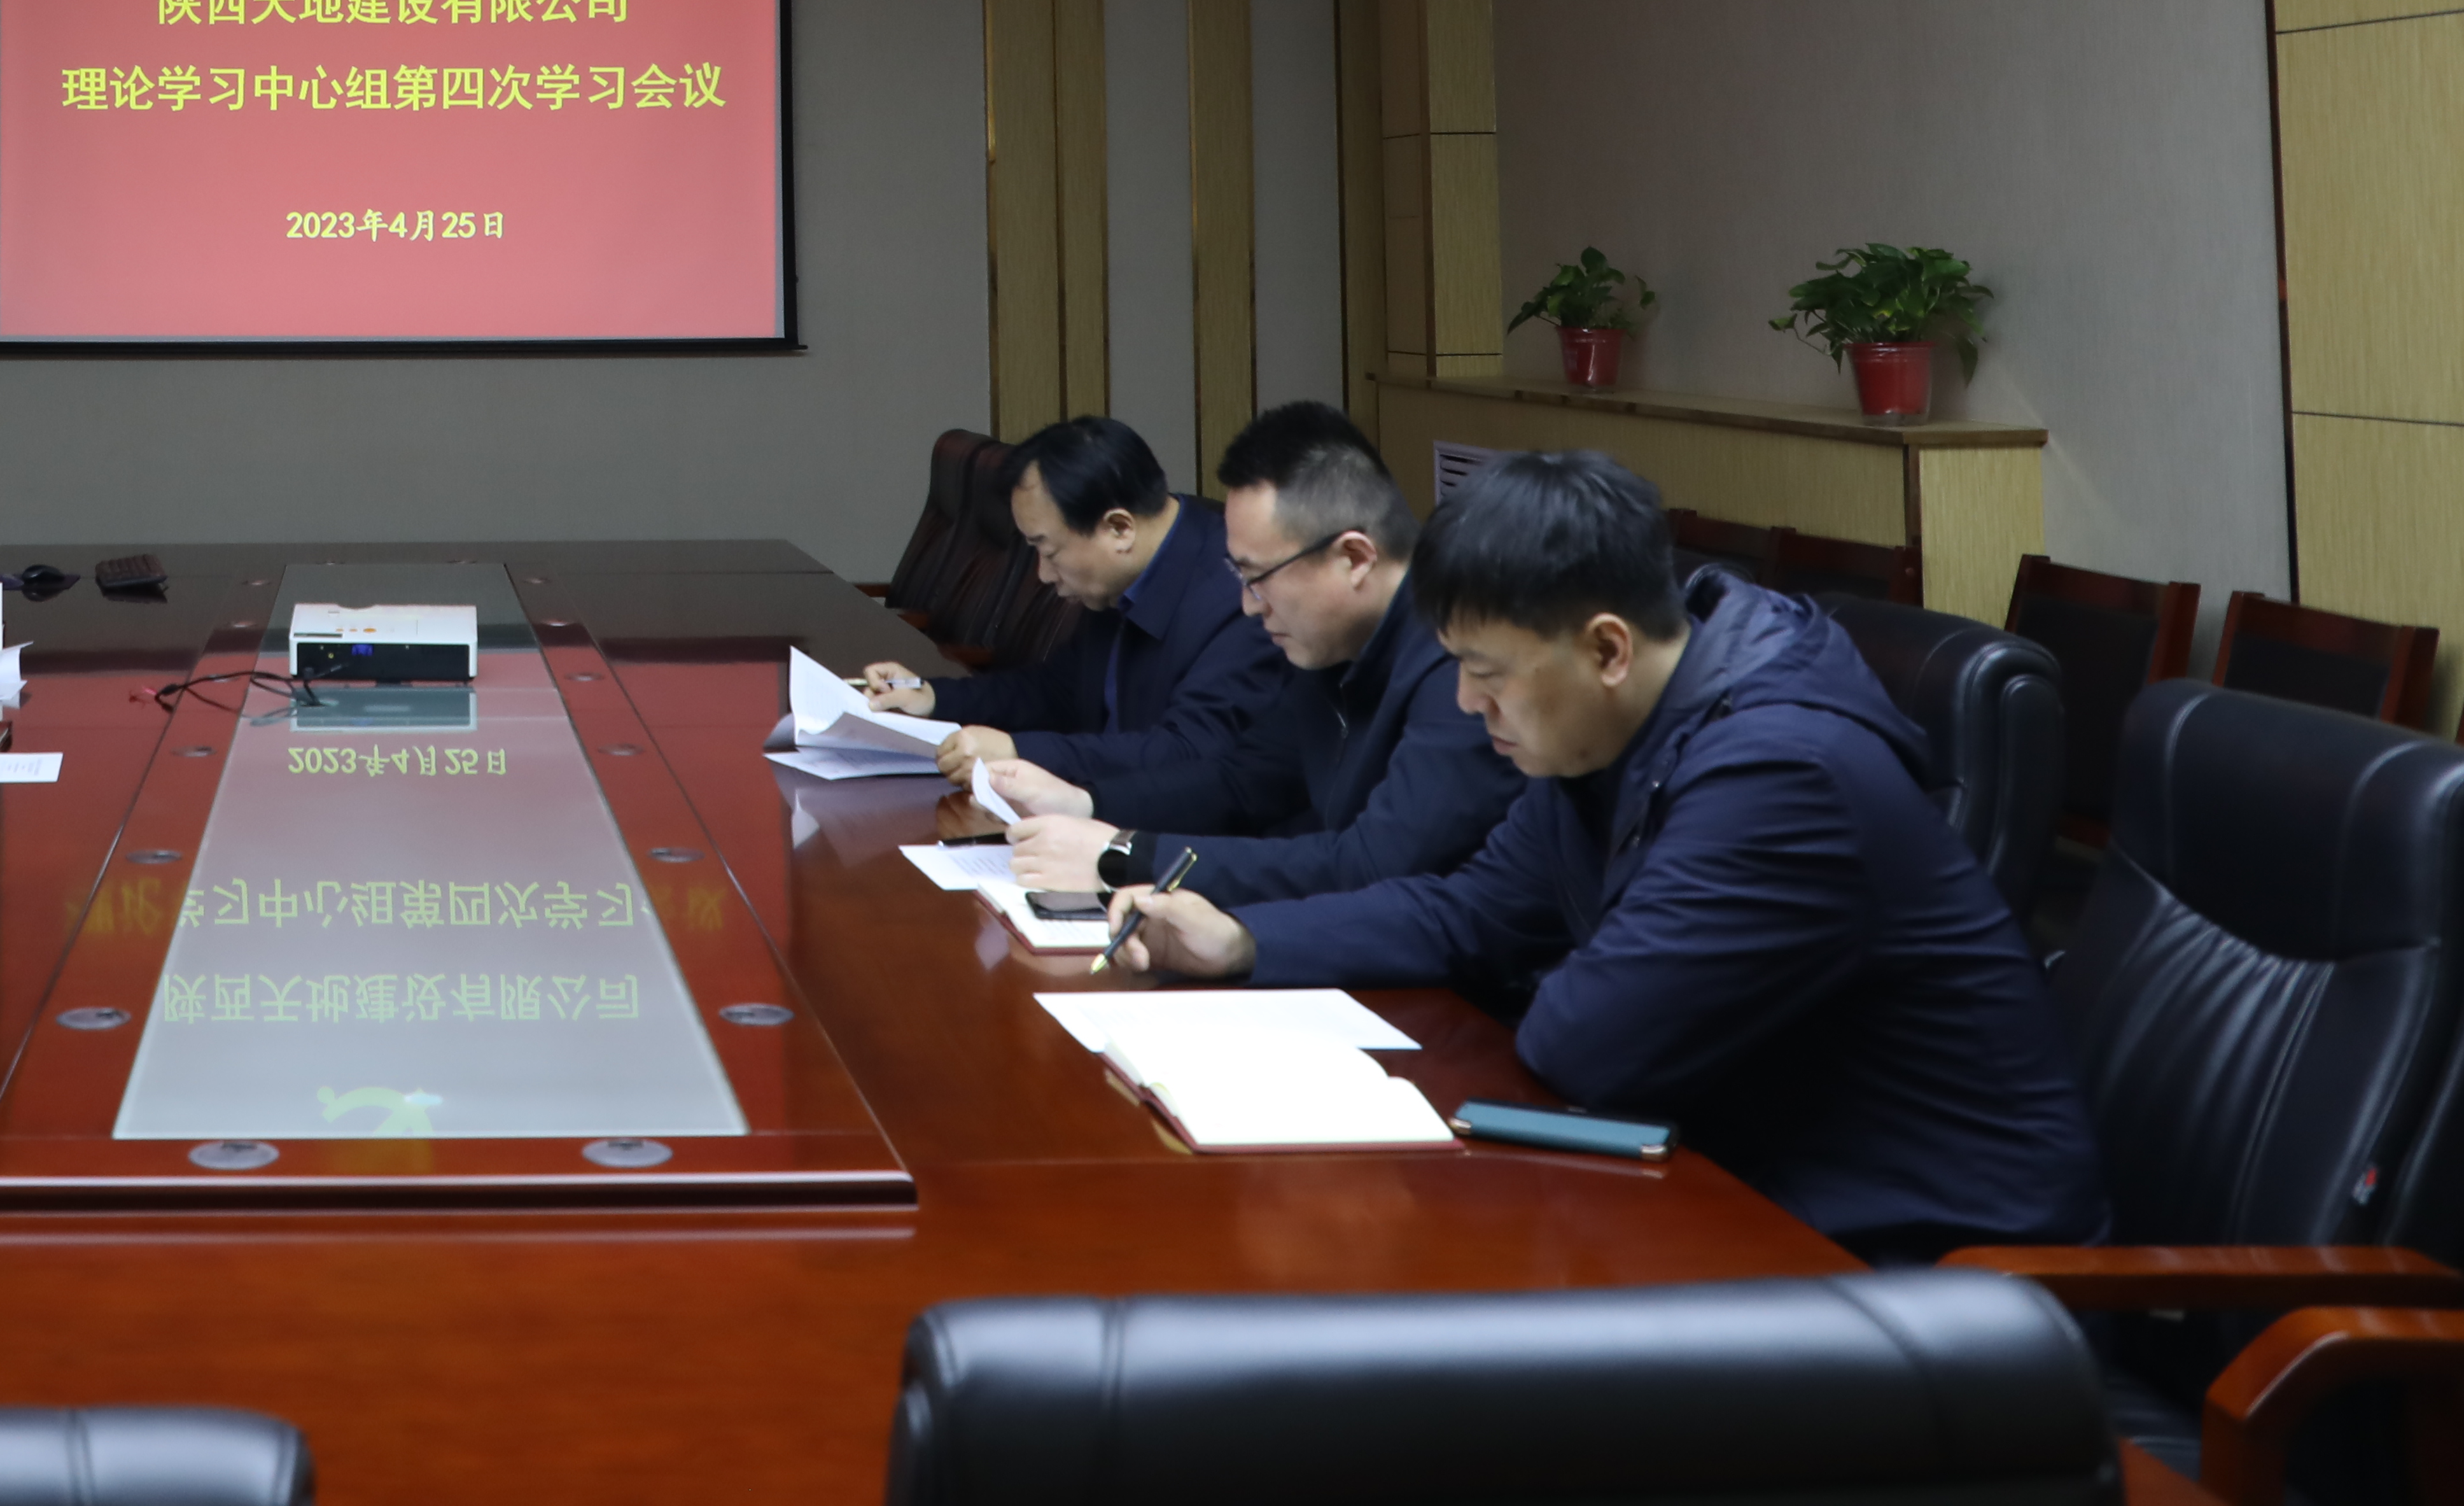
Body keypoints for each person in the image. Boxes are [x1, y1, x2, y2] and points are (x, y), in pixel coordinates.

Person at [1100, 448, 2109, 1262]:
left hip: (1929, 1271)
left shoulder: (1783, 775)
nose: (1465, 704)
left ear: (1608, 648)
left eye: (1487, 674)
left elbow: (1586, 1043)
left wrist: (1550, 971)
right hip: (1747, 1199)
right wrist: (1241, 943)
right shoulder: (1617, 725)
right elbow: (1473, 912)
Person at [998, 401, 1519, 907]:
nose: (1248, 606)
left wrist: (1129, 857)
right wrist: (1087, 804)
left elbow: (1369, 866)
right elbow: (1243, 781)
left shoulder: (1462, 667)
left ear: (1355, 558)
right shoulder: (1331, 644)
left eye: (1258, 578)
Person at [850, 417, 1282, 791]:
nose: (1042, 574)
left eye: (1049, 551)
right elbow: (1059, 690)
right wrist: (931, 698)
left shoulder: (1238, 600)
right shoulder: (1126, 574)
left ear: (1119, 529)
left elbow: (1191, 751)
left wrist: (1022, 750)